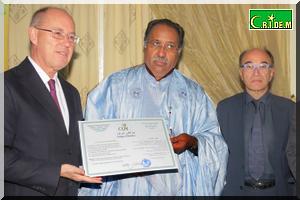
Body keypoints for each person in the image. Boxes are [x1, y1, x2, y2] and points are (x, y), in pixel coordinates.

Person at [78, 18, 228, 196]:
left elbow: (216, 142)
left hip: (177, 189)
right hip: (126, 188)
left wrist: (192, 142)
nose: (162, 53)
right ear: (145, 45)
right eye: (156, 43)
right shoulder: (114, 86)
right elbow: (93, 141)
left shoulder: (194, 94)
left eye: (170, 46)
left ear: (179, 52)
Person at [4, 7, 101, 196]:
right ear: (33, 35)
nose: (66, 43)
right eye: (57, 34)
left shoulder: (71, 93)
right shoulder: (7, 85)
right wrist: (55, 172)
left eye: (72, 37)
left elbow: (73, 149)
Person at [217, 48, 295, 196]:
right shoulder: (224, 109)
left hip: (279, 192)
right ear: (241, 73)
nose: (256, 72)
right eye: (249, 66)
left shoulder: (289, 109)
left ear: (271, 73)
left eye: (263, 66)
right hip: (237, 192)